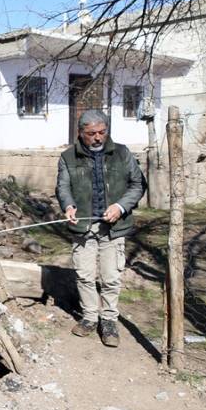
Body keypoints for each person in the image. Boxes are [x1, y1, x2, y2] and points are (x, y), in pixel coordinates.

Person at [55, 109, 146, 347]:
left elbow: (138, 184)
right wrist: (68, 205)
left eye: (102, 132)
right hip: (83, 226)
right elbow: (63, 187)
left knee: (111, 276)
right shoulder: (68, 157)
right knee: (84, 275)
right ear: (80, 133)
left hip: (113, 227)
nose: (97, 137)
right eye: (91, 133)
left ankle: (109, 321)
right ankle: (89, 317)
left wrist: (120, 207)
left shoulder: (122, 153)